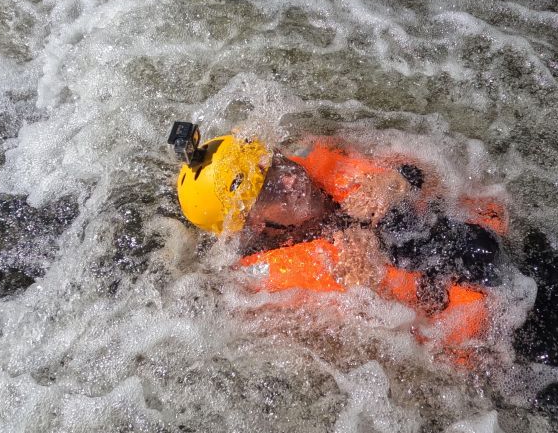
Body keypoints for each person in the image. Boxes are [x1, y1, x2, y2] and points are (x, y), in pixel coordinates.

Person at [169, 121, 506, 362]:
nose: (289, 178)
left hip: (494, 263)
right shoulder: (264, 287)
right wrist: (368, 281)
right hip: (488, 336)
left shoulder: (315, 155)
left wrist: (394, 183)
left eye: (275, 165)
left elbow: (425, 173)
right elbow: (374, 343)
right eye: (269, 188)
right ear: (255, 226)